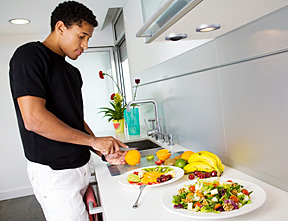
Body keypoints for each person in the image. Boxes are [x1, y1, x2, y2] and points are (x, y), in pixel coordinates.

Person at [9, 1, 128, 220]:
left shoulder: (72, 72)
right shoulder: (30, 56)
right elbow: (34, 119)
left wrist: (102, 150)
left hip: (80, 167)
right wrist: (93, 142)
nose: (85, 45)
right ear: (61, 27)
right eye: (82, 36)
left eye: (88, 39)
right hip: (55, 174)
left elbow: (76, 121)